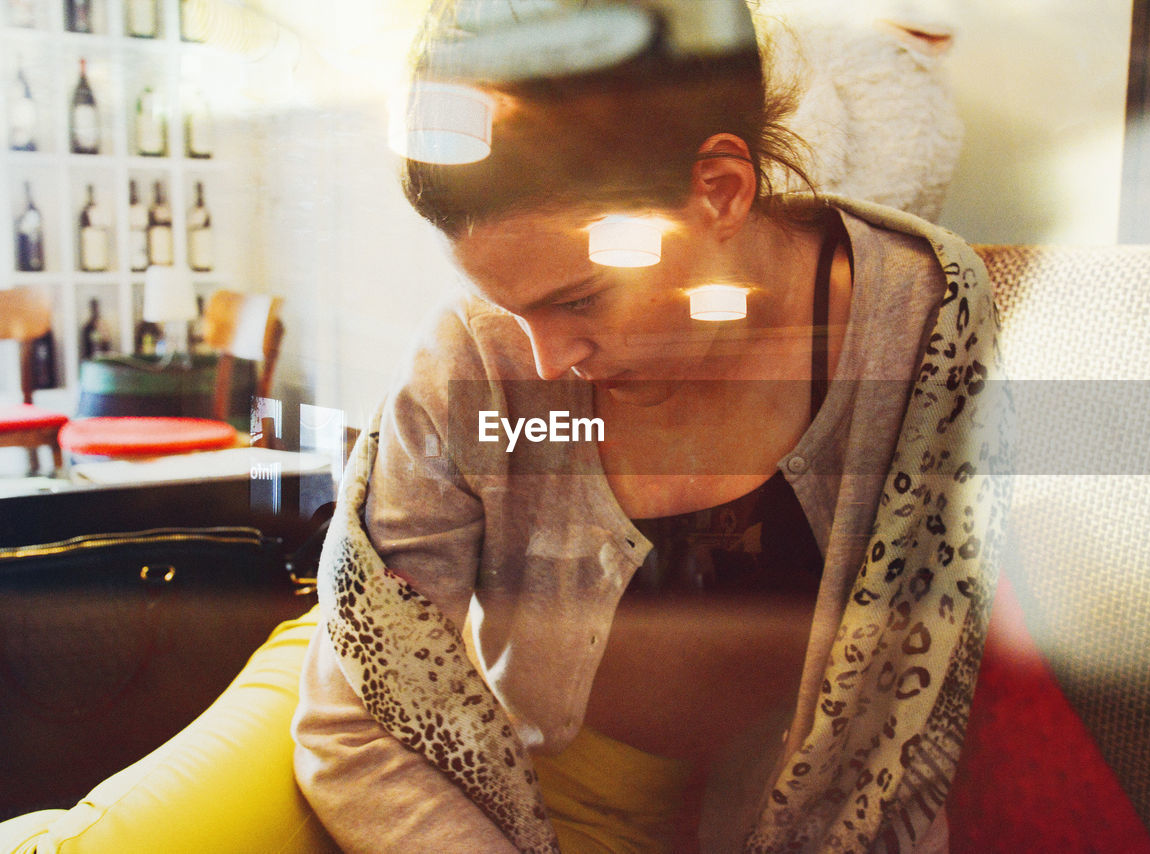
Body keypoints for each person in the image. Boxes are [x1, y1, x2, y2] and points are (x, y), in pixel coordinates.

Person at [292, 1, 1008, 852]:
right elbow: (356, 715)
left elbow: (906, 721)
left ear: (721, 191)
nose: (549, 359)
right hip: (527, 815)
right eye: (503, 306)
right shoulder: (472, 361)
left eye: (580, 299)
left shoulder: (924, 324)